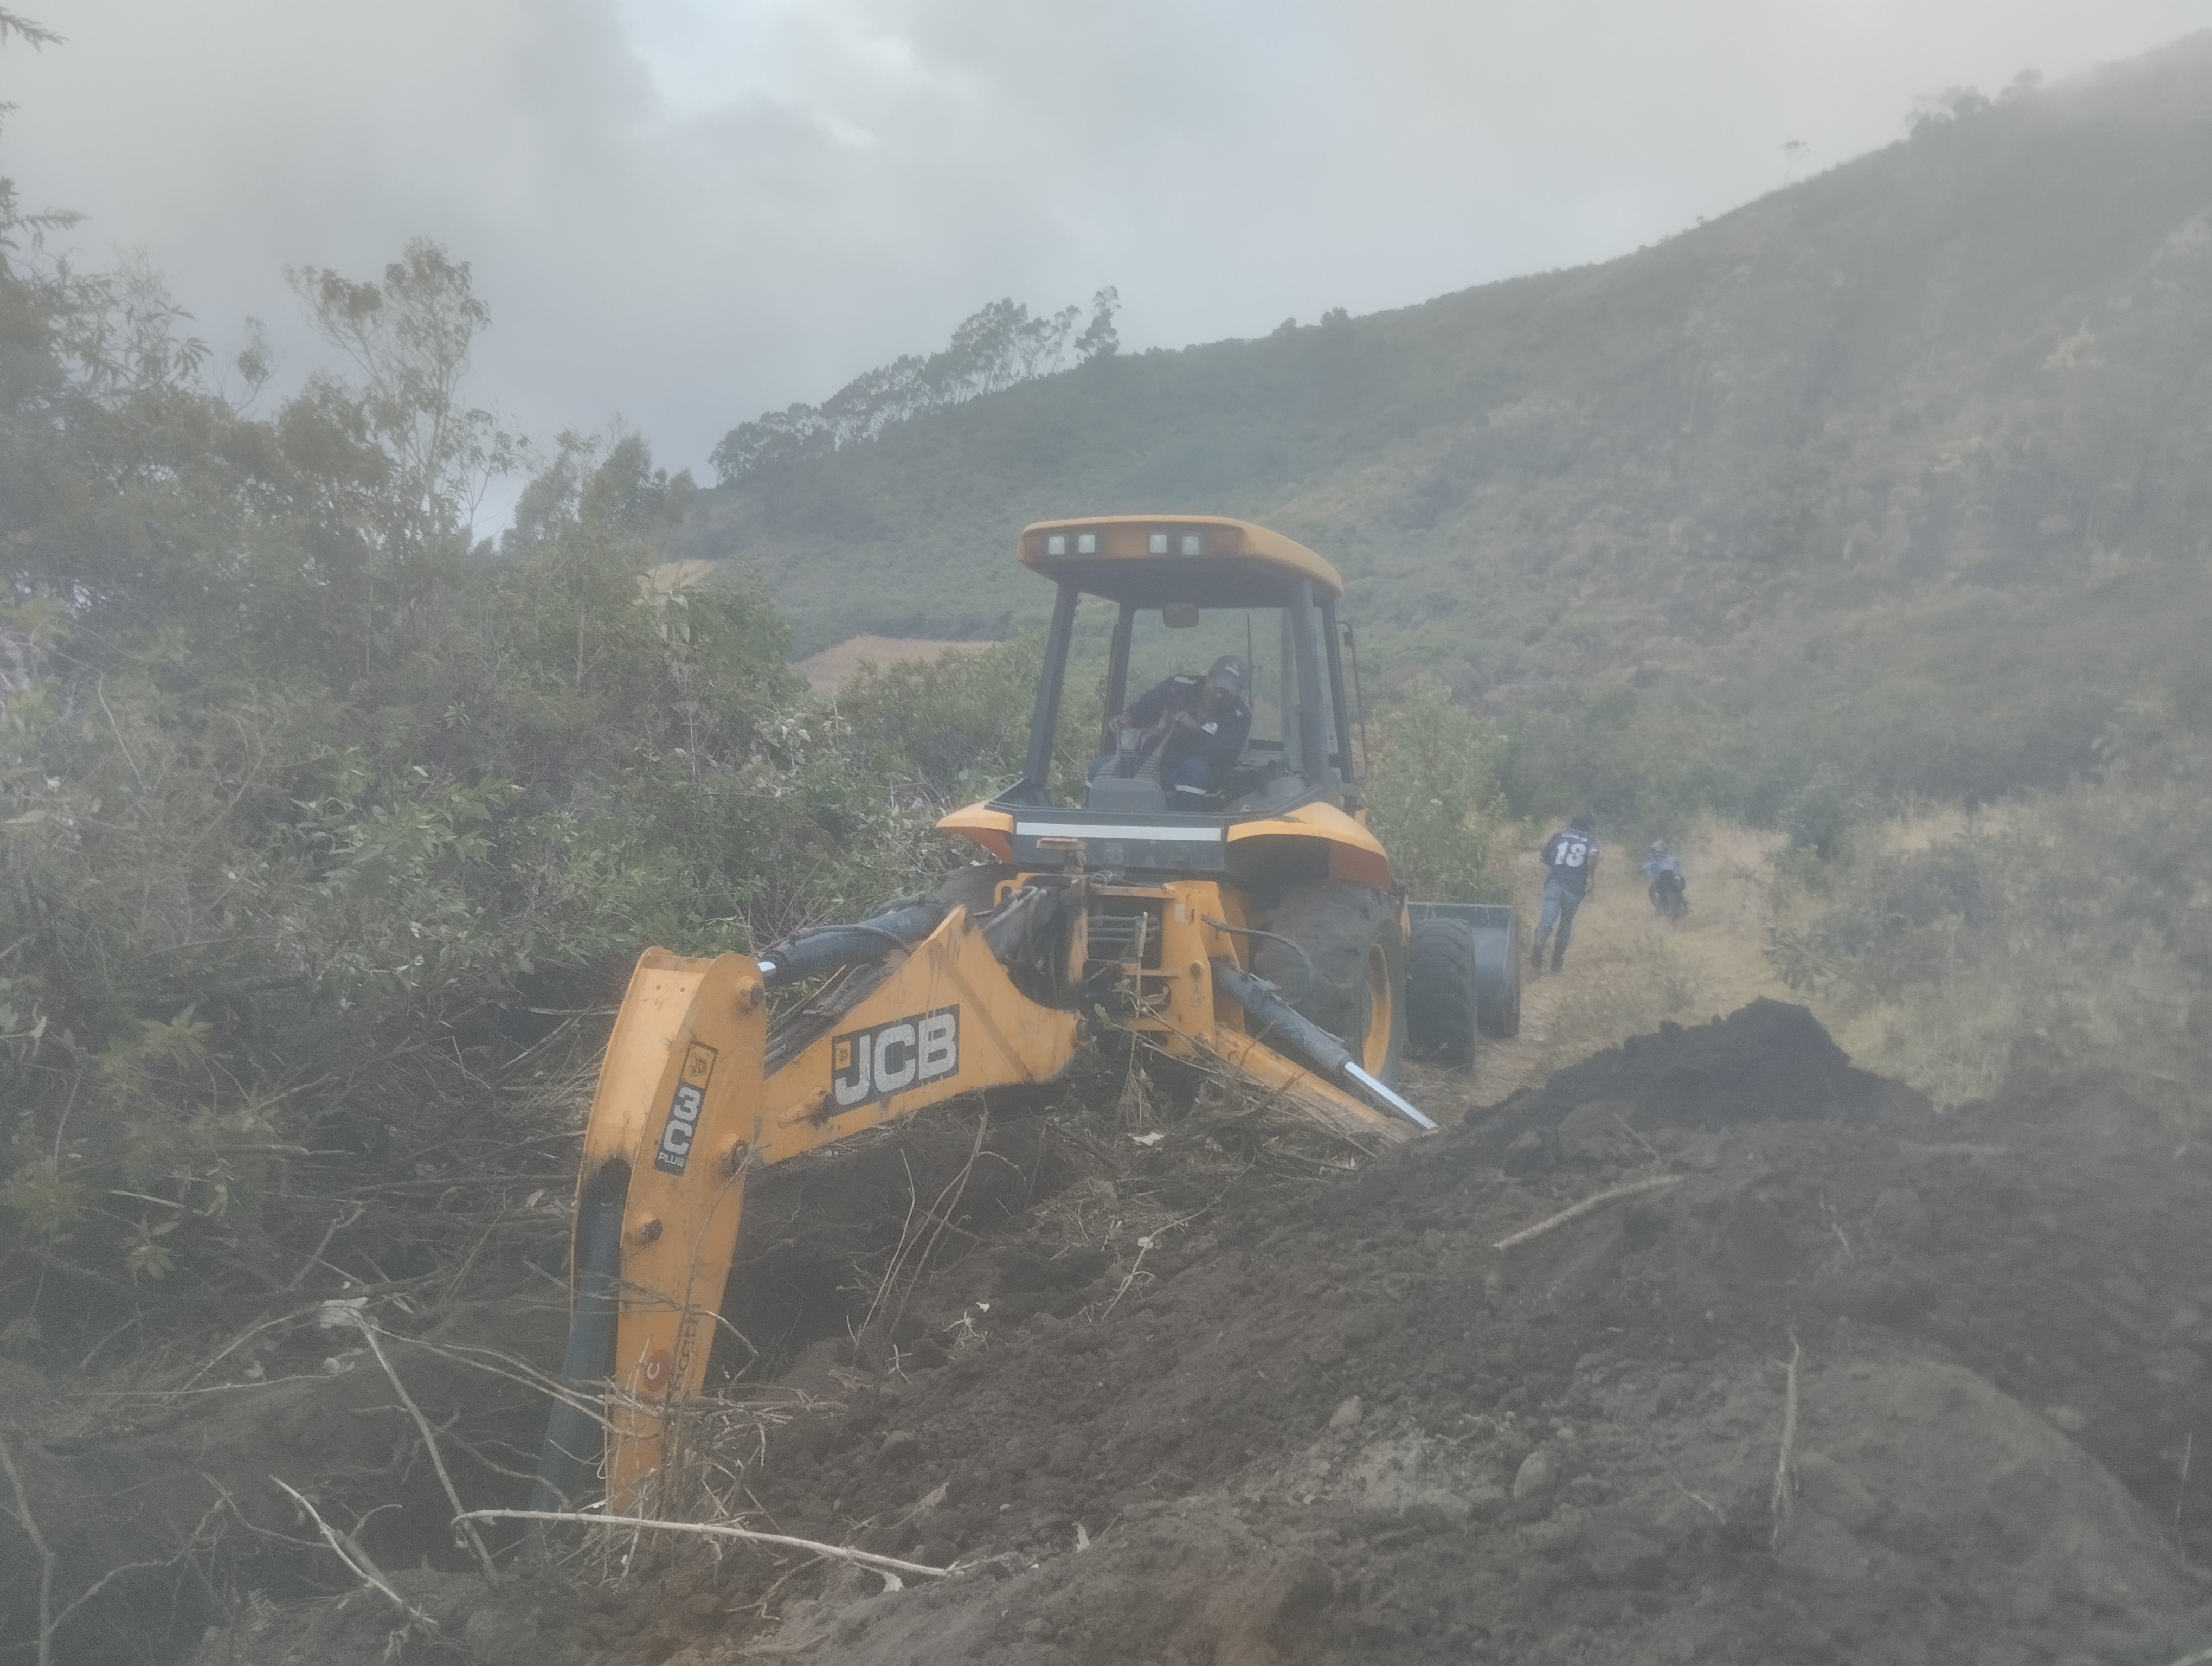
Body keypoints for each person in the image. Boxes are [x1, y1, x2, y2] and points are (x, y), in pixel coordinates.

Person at [1095, 654, 1252, 804]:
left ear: (1238, 692)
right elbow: (1145, 708)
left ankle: (1181, 820)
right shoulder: (1178, 686)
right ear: (1209, 676)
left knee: (1196, 770)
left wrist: (1196, 731)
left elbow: (1223, 758)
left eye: (1227, 692)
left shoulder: (1240, 716)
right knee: (1100, 767)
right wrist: (1127, 718)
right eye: (1218, 688)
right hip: (1148, 764)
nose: (1219, 695)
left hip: (1192, 777)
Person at [1530, 812, 1599, 973]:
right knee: (1566, 923)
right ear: (1588, 826)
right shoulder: (1591, 840)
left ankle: (1538, 949)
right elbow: (1594, 854)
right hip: (1575, 887)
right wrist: (1590, 877)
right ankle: (1557, 961)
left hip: (1554, 883)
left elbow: (1545, 858)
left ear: (1571, 824)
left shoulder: (1559, 836)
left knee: (1547, 920)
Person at [1641, 840, 1686, 919]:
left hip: (1664, 883)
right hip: (1675, 881)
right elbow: (1679, 872)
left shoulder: (1655, 862)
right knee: (1679, 890)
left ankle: (1659, 908)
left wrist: (1639, 871)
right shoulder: (1674, 860)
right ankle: (1683, 904)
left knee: (1654, 889)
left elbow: (1644, 868)